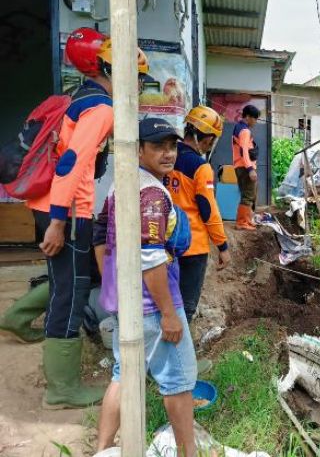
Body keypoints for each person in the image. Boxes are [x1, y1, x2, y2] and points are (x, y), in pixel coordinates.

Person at [4, 27, 149, 409]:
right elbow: (71, 164)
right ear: (111, 70)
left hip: (57, 207)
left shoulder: (80, 95)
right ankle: (62, 390)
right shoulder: (100, 108)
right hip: (66, 211)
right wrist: (58, 220)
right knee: (70, 292)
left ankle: (18, 318)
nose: (135, 85)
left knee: (67, 277)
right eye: (133, 77)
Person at [95, 118, 197, 457]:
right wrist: (169, 313)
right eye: (158, 146)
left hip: (128, 301)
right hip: (155, 306)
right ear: (138, 149)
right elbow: (150, 257)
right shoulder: (152, 193)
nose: (168, 153)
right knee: (179, 383)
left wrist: (117, 287)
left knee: (124, 374)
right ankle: (188, 453)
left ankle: (103, 448)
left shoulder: (119, 184)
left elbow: (99, 238)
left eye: (172, 146)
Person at [165, 105, 230, 372]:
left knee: (165, 303)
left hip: (164, 244)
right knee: (185, 307)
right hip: (192, 247)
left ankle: (163, 358)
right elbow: (208, 209)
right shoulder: (200, 168)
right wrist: (223, 245)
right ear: (207, 138)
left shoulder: (165, 158)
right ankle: (178, 365)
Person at [232, 104, 260, 230]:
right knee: (248, 195)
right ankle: (242, 222)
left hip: (240, 165)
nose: (255, 121)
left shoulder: (238, 127)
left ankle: (247, 220)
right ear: (248, 117)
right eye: (254, 118)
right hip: (244, 167)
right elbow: (244, 150)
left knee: (249, 194)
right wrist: (250, 169)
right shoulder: (244, 131)